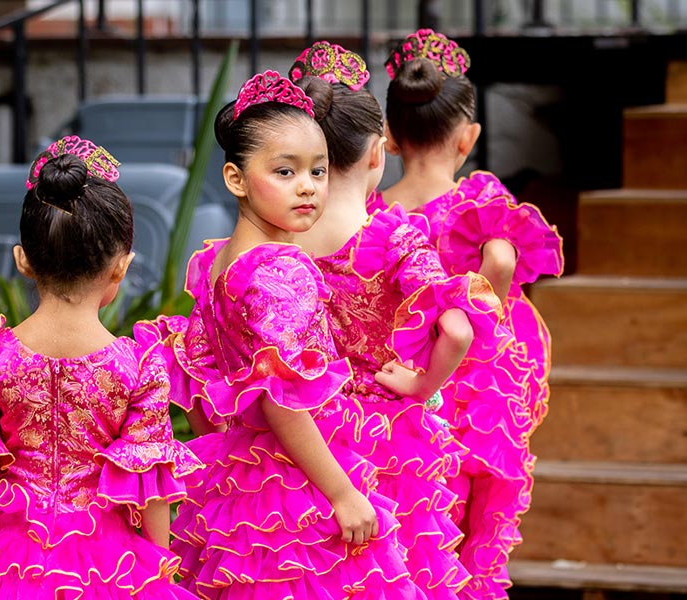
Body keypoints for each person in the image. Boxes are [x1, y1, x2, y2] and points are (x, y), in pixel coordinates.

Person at [140, 70, 424, 599]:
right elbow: (280, 399)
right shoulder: (278, 271)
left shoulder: (219, 261)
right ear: (235, 178)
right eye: (285, 171)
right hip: (300, 483)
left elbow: (204, 387)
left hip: (239, 479)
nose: (308, 186)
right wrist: (340, 491)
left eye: (317, 170)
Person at [0, 136, 202, 600]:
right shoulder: (140, 365)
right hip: (111, 565)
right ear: (120, 268)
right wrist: (156, 572)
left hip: (8, 563)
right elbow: (152, 488)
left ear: (23, 260)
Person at [288, 41, 508, 599]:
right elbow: (459, 326)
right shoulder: (393, 237)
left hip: (308, 438)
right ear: (376, 153)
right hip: (391, 436)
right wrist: (423, 383)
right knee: (401, 570)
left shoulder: (279, 242)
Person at [376, 29, 564, 599]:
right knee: (464, 539)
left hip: (394, 401)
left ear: (386, 137)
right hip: (466, 403)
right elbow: (503, 258)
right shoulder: (477, 205)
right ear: (469, 137)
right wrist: (492, 306)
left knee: (407, 535)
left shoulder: (370, 215)